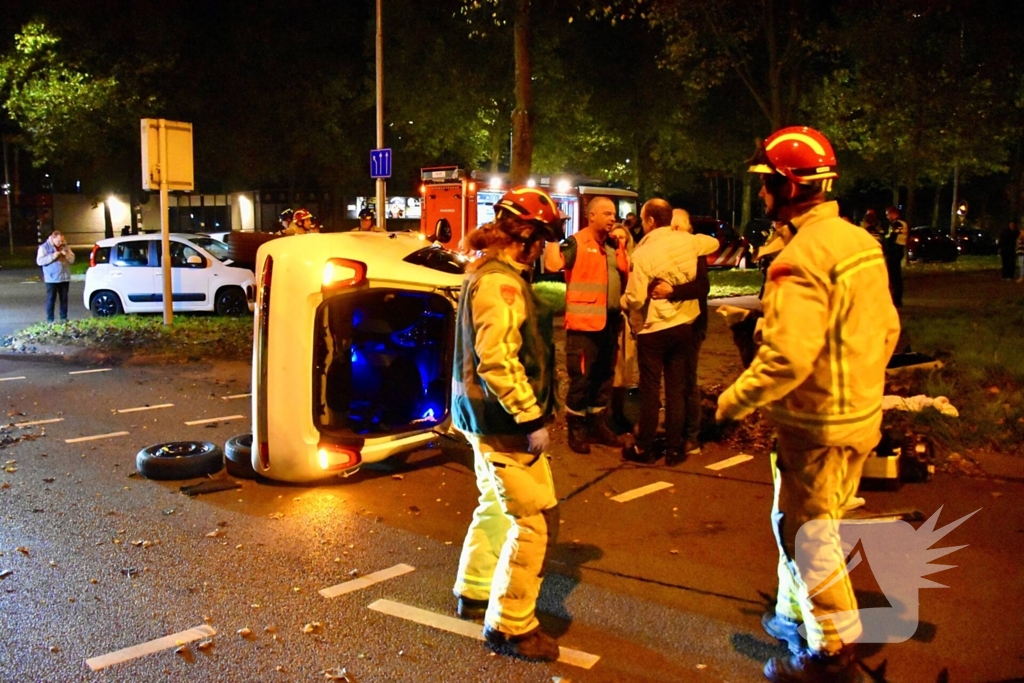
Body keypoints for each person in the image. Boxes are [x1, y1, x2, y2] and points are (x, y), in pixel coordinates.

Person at [716, 126, 900, 682]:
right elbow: (887, 328)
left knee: (807, 535)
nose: (763, 195)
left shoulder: (799, 258)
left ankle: (829, 654)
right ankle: (799, 616)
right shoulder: (860, 245)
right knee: (818, 525)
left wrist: (726, 405)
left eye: (767, 184)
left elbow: (786, 361)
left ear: (786, 186)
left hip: (815, 426)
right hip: (859, 418)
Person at [450, 186, 563, 662]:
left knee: (494, 507)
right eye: (544, 240)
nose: (545, 251)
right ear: (528, 238)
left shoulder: (486, 274)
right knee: (535, 521)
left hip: (481, 417)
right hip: (503, 422)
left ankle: (474, 591)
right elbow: (497, 360)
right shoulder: (502, 284)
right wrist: (530, 416)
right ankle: (510, 626)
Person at [623, 199, 718, 465]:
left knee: (651, 389)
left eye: (643, 220)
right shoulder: (689, 242)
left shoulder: (642, 253)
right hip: (684, 325)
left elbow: (635, 296)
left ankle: (645, 447)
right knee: (676, 389)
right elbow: (714, 244)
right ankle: (675, 449)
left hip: (654, 328)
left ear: (651, 221)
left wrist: (626, 303)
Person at [543, 196, 629, 453]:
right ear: (591, 216)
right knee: (581, 380)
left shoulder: (613, 245)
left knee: (604, 379)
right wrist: (551, 235)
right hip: (584, 327)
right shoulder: (576, 243)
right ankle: (577, 430)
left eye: (613, 213)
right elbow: (551, 264)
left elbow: (623, 275)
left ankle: (597, 426)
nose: (612, 218)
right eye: (606, 213)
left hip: (610, 324)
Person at [608, 222, 638, 434]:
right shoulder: (609, 260)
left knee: (626, 367)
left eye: (622, 237)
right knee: (613, 366)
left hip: (629, 317)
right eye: (615, 237)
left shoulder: (634, 260)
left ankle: (620, 412)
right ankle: (611, 414)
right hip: (613, 316)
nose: (619, 240)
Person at [36, 230, 76, 323]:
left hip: (64, 277)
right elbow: (40, 261)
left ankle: (63, 318)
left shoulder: (65, 246)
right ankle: (50, 319)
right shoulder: (44, 247)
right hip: (52, 279)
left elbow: (72, 260)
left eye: (62, 240)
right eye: (59, 241)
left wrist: (67, 255)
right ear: (53, 239)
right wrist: (53, 256)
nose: (61, 243)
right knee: (51, 299)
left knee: (64, 299)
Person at [884, 205, 908, 308]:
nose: (887, 217)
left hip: (894, 252)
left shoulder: (897, 224)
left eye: (888, 215)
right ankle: (897, 298)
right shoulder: (903, 223)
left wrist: (884, 240)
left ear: (893, 213)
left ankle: (896, 299)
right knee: (896, 277)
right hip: (898, 251)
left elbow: (891, 238)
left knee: (894, 277)